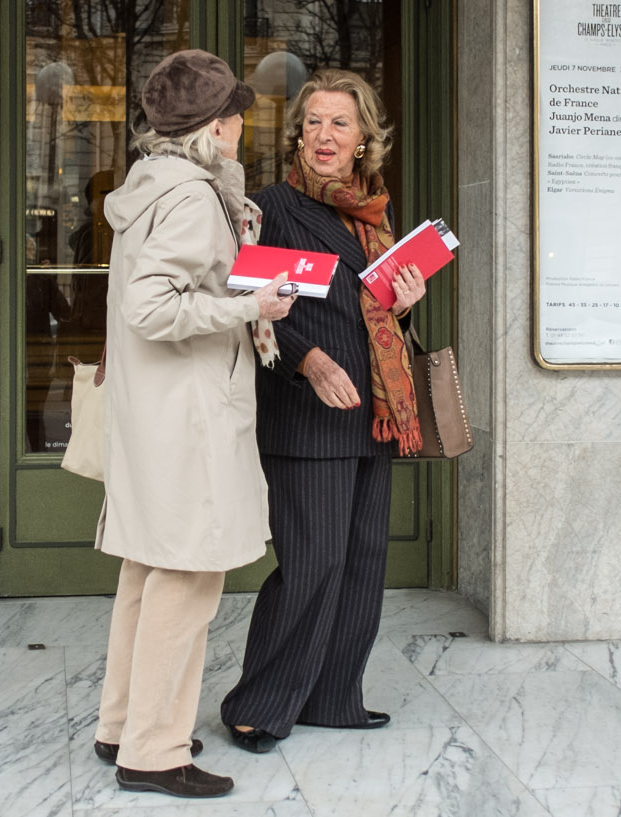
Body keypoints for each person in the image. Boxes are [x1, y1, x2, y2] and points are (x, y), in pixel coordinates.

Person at [90, 49, 297, 799]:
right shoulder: (190, 198)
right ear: (212, 127)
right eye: (235, 115)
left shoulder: (151, 187)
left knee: (147, 570)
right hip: (189, 420)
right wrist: (252, 305)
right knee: (187, 577)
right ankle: (153, 749)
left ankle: (122, 725)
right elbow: (152, 307)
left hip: (158, 416)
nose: (242, 127)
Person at [219, 69, 429, 753]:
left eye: (340, 123)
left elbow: (367, 310)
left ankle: (333, 697)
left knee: (363, 560)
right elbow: (257, 316)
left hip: (371, 413)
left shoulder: (372, 213)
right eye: (313, 122)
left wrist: (403, 301)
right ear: (298, 134)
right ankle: (258, 704)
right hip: (306, 413)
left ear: (365, 137)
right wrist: (309, 360)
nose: (325, 136)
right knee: (310, 563)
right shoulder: (272, 208)